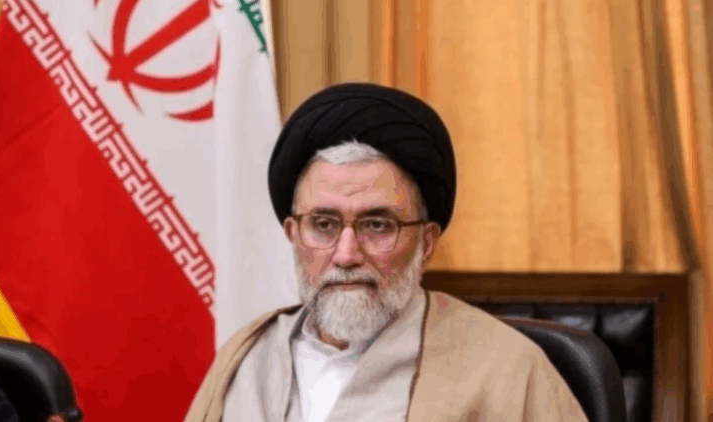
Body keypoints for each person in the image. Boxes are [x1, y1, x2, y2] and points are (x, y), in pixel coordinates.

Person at [184, 83, 589, 422]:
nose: (346, 255)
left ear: (426, 243)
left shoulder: (506, 369)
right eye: (323, 224)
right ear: (293, 234)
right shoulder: (246, 360)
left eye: (377, 225)